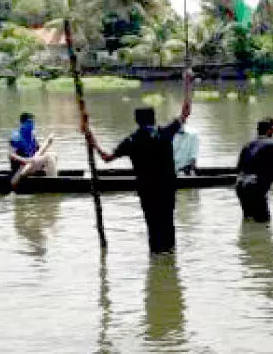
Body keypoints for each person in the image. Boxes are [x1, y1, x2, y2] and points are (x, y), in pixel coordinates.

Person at [85, 72, 193, 254]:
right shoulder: (164, 133)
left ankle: (156, 256)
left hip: (147, 189)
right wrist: (188, 84)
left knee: (152, 224)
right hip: (167, 186)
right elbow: (186, 110)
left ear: (136, 121)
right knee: (167, 222)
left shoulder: (131, 141)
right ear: (153, 119)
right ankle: (169, 258)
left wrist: (92, 139)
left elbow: (106, 158)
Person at [9, 112, 57, 189]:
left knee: (53, 155)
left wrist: (48, 143)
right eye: (29, 122)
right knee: (49, 157)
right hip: (20, 169)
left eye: (32, 122)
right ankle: (54, 186)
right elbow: (11, 154)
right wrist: (26, 160)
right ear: (22, 123)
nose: (31, 124)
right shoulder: (16, 136)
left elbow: (39, 152)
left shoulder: (31, 137)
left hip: (31, 166)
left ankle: (49, 178)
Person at [172, 73, 198, 175]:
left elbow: (193, 158)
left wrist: (188, 85)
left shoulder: (193, 135)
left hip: (184, 173)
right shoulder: (168, 134)